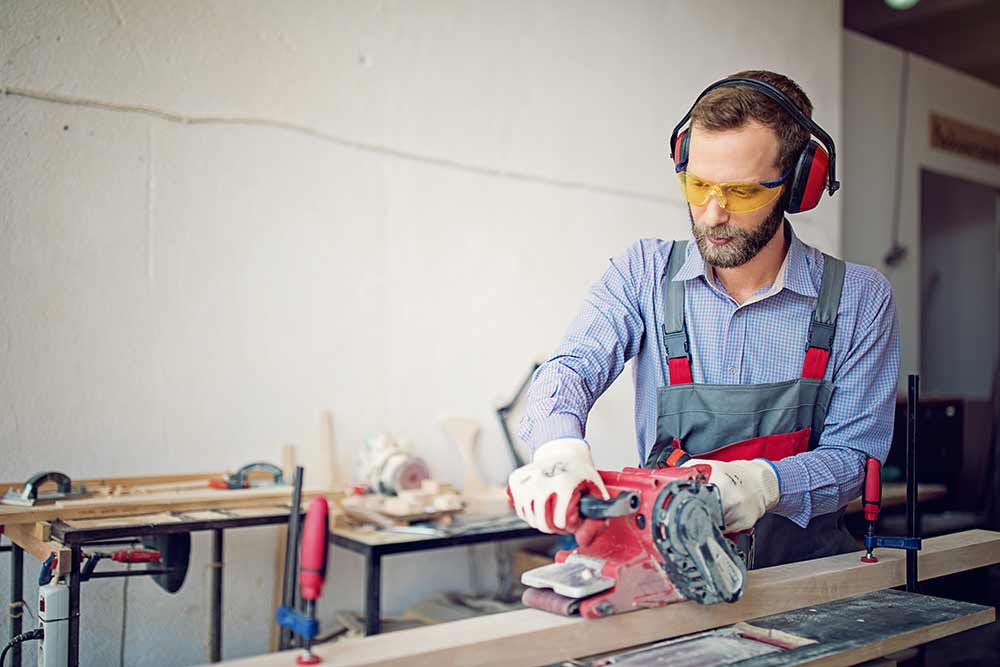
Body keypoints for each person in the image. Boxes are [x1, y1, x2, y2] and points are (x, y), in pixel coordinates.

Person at [507, 70, 899, 568]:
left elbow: (856, 455)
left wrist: (766, 484)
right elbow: (569, 369)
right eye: (697, 185)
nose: (712, 214)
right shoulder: (643, 273)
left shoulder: (859, 299)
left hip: (805, 575)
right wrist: (558, 449)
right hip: (670, 573)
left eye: (742, 192)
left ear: (799, 185)